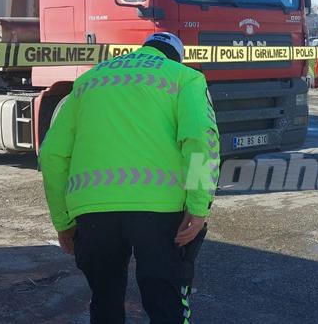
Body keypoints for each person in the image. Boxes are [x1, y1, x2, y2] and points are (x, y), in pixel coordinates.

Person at [40, 32, 219, 324]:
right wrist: (198, 206)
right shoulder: (185, 78)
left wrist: (64, 222)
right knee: (166, 304)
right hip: (160, 212)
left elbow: (52, 155)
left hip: (94, 211)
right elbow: (200, 140)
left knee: (105, 301)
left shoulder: (88, 81)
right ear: (176, 58)